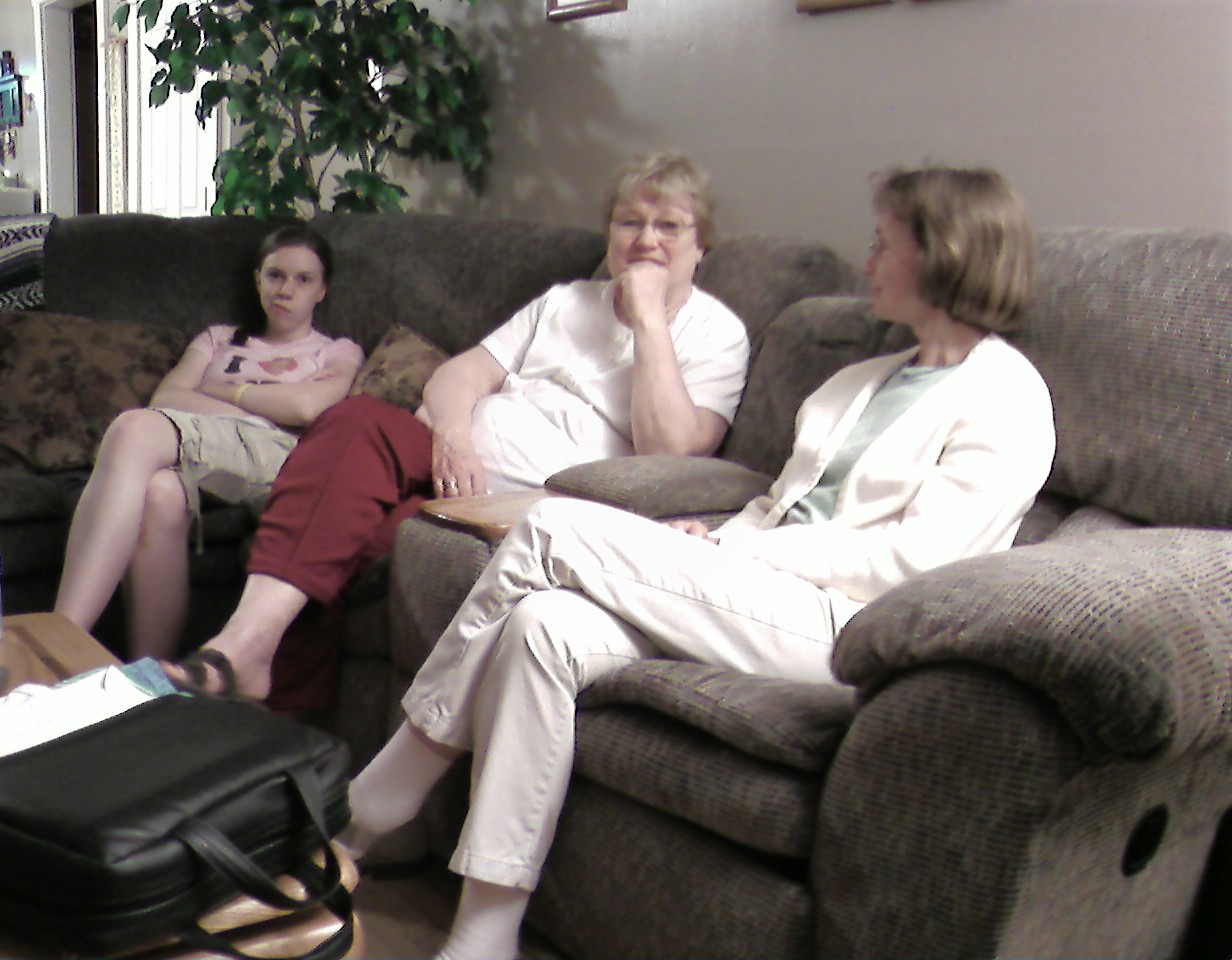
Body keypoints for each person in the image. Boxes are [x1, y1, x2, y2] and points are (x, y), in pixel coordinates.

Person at [334, 165, 1057, 960]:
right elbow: (783, 503)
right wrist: (711, 536)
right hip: (762, 590)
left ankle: (382, 795)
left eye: (885, 243)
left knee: (550, 530)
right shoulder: (863, 380)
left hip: (853, 627)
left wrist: (742, 547)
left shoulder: (1006, 395)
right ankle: (486, 932)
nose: (868, 258)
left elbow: (916, 563)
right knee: (543, 626)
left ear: (943, 254)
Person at [171, 151, 751, 702]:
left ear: (701, 245)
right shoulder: (566, 302)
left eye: (669, 226)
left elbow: (668, 450)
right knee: (355, 419)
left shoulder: (717, 334)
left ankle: (263, 698)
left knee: (352, 537)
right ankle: (240, 648)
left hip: (524, 503)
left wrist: (649, 319)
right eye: (630, 222)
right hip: (450, 459)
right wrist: (453, 437)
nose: (646, 239)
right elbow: (458, 375)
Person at [54, 224, 364, 662]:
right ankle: (155, 677)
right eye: (275, 275)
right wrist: (262, 405)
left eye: (303, 279)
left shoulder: (336, 351)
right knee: (160, 493)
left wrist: (221, 391)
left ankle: (56, 641)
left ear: (321, 291)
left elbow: (307, 407)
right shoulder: (219, 338)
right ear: (258, 279)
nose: (285, 290)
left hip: (275, 455)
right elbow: (167, 397)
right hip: (201, 449)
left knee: (133, 430)